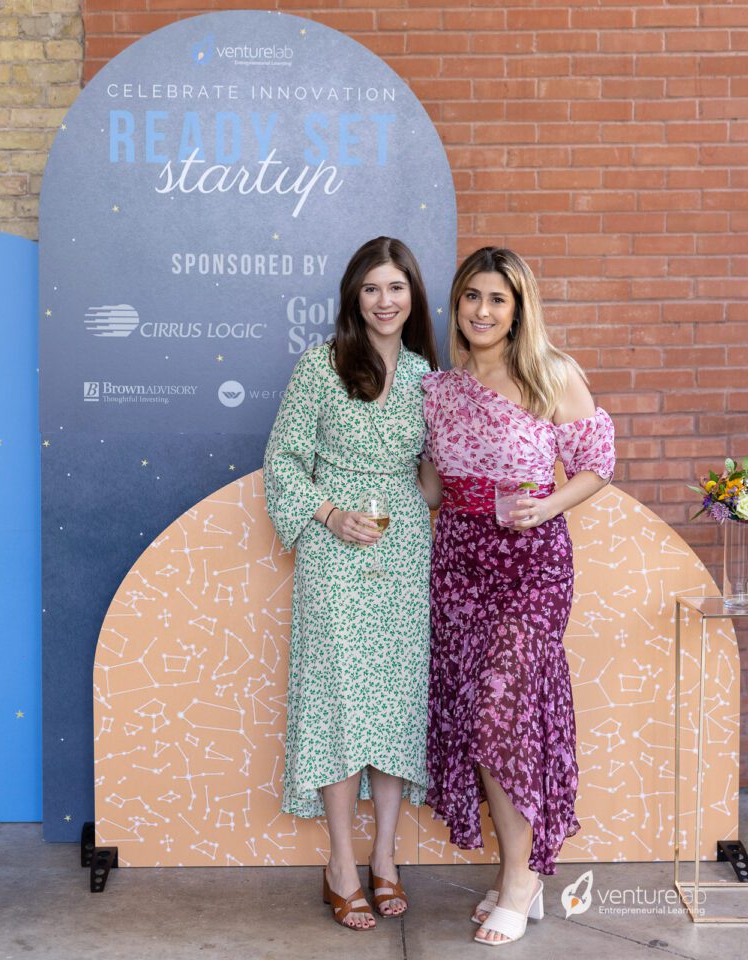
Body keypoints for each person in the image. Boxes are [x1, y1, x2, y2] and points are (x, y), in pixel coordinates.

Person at [419, 247, 615, 946]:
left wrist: (548, 506)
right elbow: (435, 491)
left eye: (496, 299)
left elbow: (597, 467)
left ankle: (523, 879)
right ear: (457, 305)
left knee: (507, 711)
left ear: (518, 306)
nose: (481, 311)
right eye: (471, 296)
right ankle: (519, 872)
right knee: (478, 720)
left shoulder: (551, 374)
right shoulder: (439, 388)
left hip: (532, 563)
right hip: (459, 561)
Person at [263, 236, 439, 931]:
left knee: (394, 701)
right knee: (340, 703)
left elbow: (426, 483)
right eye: (371, 288)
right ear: (353, 297)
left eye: (396, 288)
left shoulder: (429, 376)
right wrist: (331, 515)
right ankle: (341, 862)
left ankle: (386, 858)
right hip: (335, 558)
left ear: (412, 296)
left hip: (403, 556)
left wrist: (450, 472)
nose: (384, 301)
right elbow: (282, 461)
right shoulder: (322, 366)